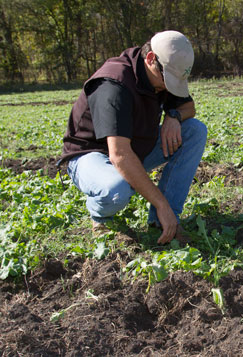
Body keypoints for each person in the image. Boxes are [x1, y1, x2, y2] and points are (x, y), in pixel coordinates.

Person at [58, 30, 207, 245]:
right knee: (116, 189)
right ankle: (101, 217)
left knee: (194, 131)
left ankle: (163, 221)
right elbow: (120, 155)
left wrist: (173, 116)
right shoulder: (114, 85)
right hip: (91, 155)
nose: (168, 87)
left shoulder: (161, 74)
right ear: (150, 59)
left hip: (134, 146)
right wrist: (160, 203)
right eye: (168, 80)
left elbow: (188, 107)